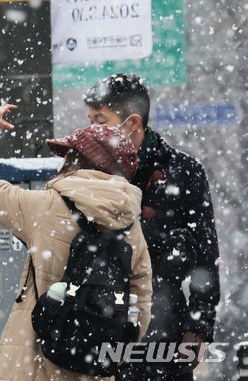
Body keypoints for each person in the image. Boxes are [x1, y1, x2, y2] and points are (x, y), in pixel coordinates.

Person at [0, 104, 153, 381]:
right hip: (93, 368)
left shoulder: (47, 207)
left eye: (70, 156)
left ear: (84, 162)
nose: (64, 163)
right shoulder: (131, 227)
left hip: (33, 363)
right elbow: (141, 301)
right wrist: (108, 344)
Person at [84, 74, 220, 380]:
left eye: (100, 119)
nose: (93, 129)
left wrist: (199, 327)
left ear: (133, 123)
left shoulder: (184, 172)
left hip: (164, 321)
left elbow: (206, 258)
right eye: (91, 120)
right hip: (97, 321)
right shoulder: (88, 172)